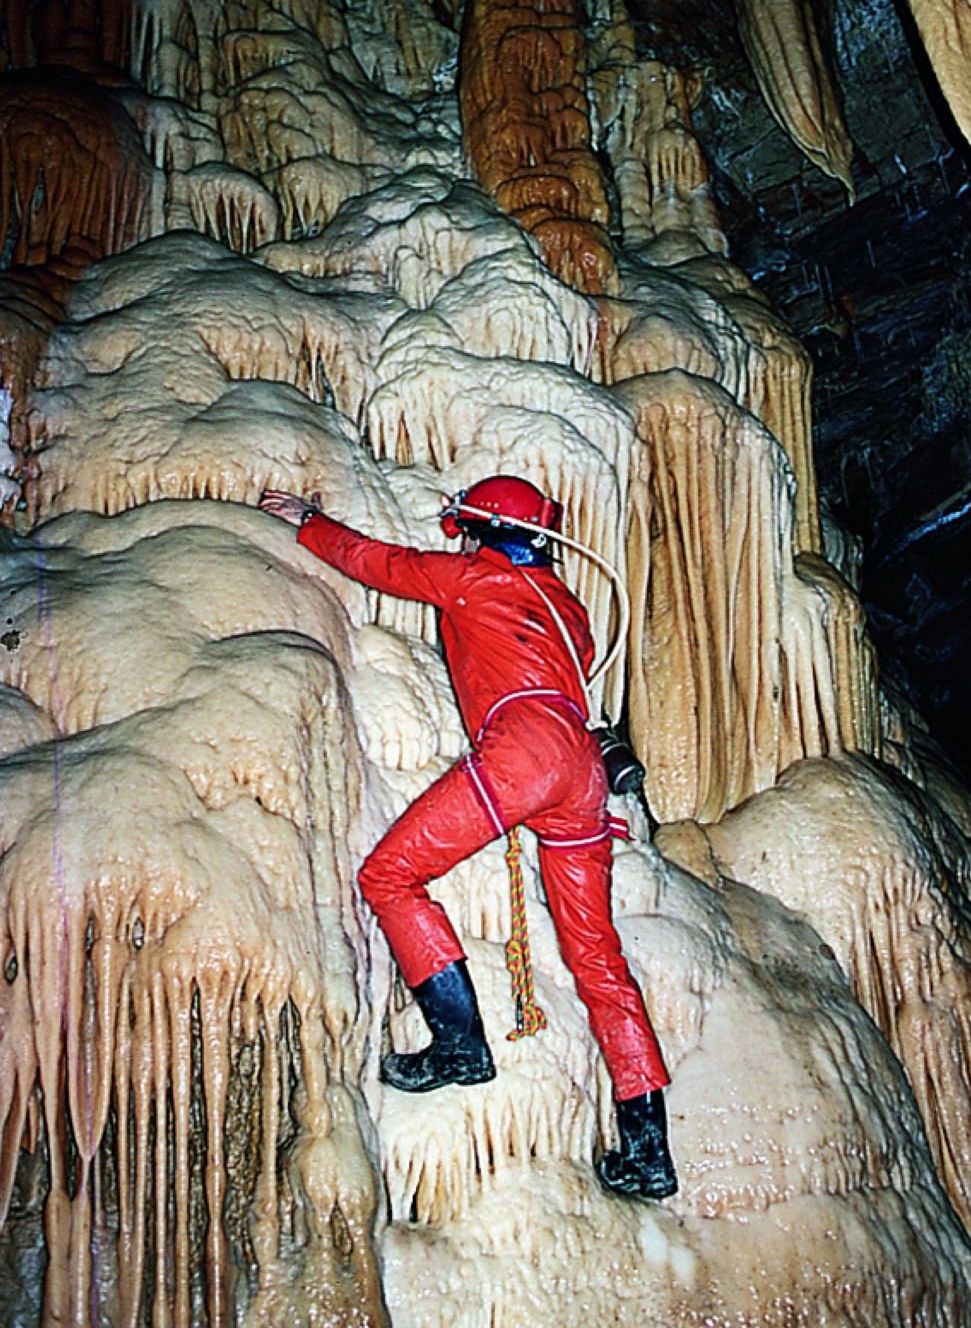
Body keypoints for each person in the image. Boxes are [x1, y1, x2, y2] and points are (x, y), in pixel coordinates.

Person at [258, 476, 676, 1200]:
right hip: (582, 770)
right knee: (600, 962)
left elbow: (378, 562)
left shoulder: (470, 576)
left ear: (477, 530)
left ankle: (459, 1046)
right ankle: (649, 1151)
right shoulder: (567, 607)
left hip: (524, 748)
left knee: (388, 877)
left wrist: (309, 522)